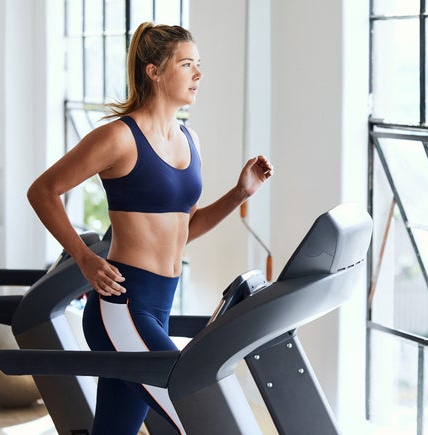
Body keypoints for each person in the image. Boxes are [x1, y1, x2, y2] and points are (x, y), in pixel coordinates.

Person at [27, 21, 273, 435]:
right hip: (122, 305)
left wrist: (239, 194)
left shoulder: (189, 138)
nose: (198, 74)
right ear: (154, 71)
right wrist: (86, 259)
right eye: (186, 64)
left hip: (159, 305)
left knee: (114, 429)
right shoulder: (119, 138)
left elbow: (184, 229)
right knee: (195, 411)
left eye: (199, 65)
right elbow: (43, 191)